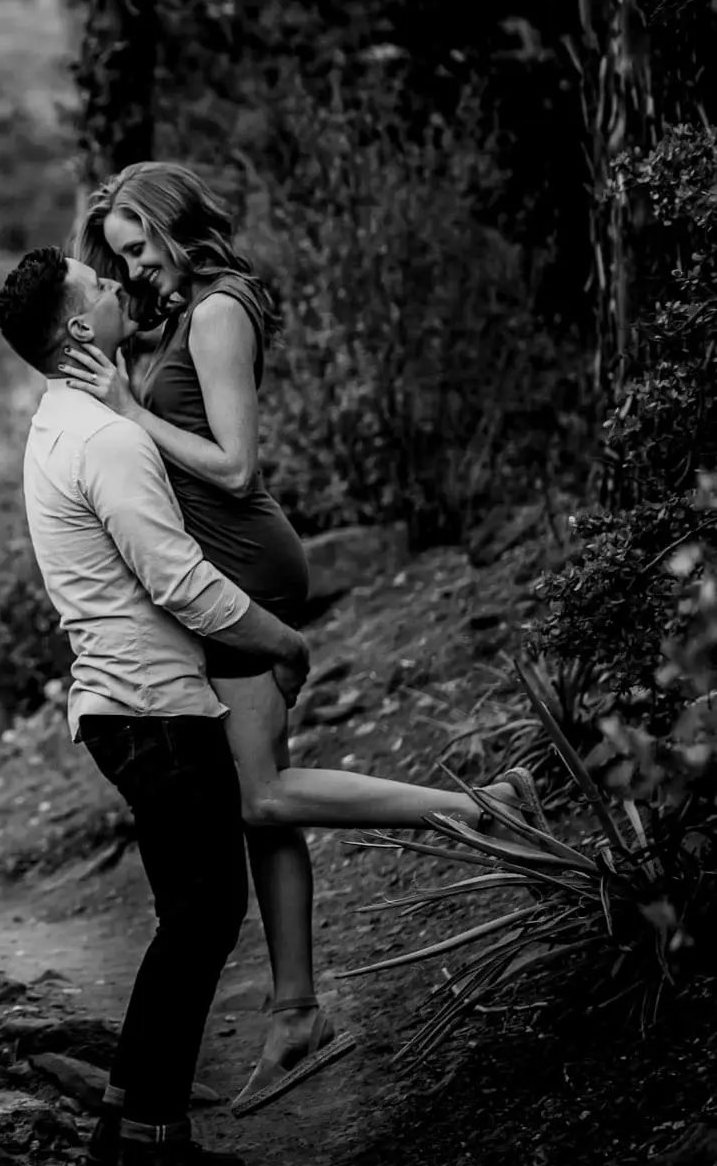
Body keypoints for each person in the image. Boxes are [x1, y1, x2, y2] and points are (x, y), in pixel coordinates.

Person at [55, 162, 534, 1115]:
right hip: (224, 573)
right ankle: (295, 1015)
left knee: (264, 795)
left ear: (176, 221)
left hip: (246, 568)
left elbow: (234, 467)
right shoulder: (179, 313)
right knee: (257, 802)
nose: (134, 260)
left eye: (140, 240)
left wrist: (132, 414)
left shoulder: (223, 310)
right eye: (118, 254)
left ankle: (483, 806)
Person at [0, 245, 303, 1166]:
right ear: (80, 327)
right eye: (97, 284)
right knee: (205, 917)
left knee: (189, 916)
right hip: (154, 712)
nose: (115, 282)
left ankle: (124, 1130)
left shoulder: (64, 425)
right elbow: (179, 584)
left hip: (124, 708)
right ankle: (153, 1151)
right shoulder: (108, 439)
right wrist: (282, 643)